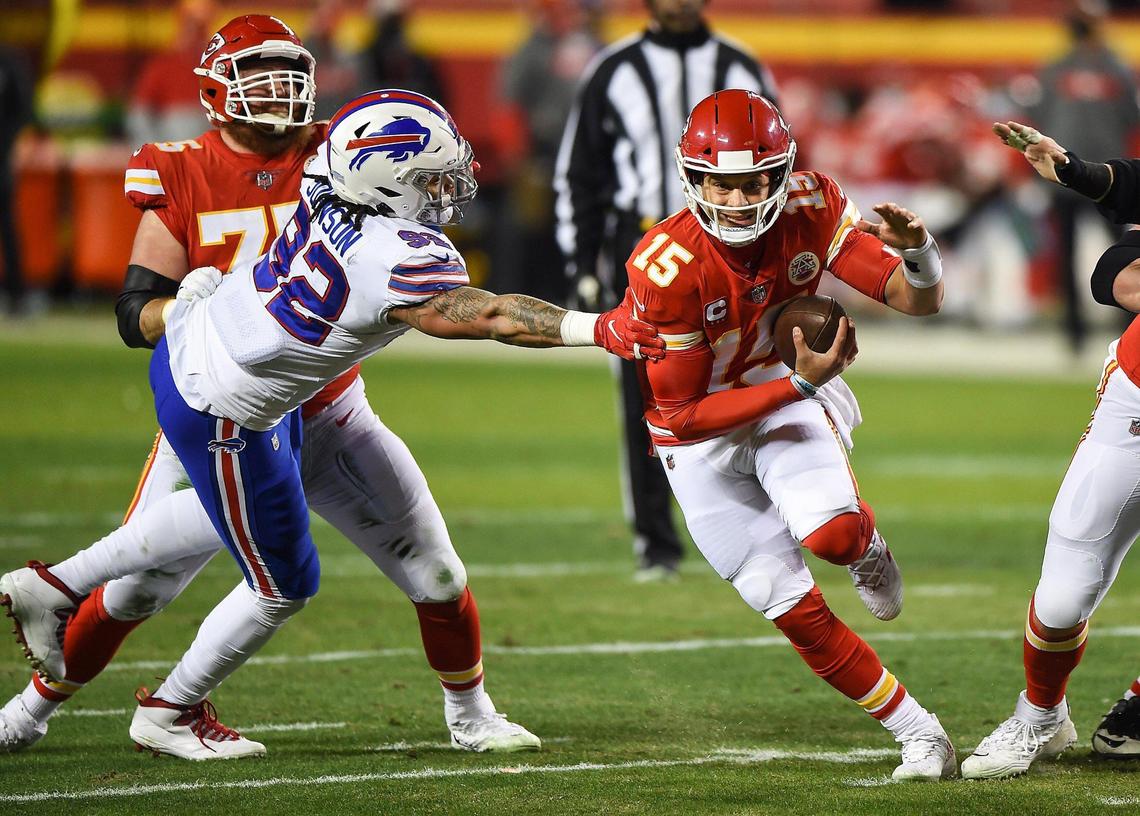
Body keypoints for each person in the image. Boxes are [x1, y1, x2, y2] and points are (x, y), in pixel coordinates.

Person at [0, 16, 658, 758]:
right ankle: (76, 694)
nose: (446, 193)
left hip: (306, 396)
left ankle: (470, 714)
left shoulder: (327, 165)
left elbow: (372, 131)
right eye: (431, 182)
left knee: (433, 570)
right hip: (231, 399)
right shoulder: (365, 231)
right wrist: (600, 327)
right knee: (199, 583)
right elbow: (491, 315)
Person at [624, 89, 952, 780]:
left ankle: (867, 547)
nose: (738, 199)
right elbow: (681, 413)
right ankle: (919, 733)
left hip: (780, 392)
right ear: (693, 177)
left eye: (753, 182)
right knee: (785, 601)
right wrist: (801, 384)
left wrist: (920, 254)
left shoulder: (814, 205)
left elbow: (914, 299)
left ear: (780, 173)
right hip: (702, 428)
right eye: (721, 182)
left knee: (832, 536)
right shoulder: (666, 265)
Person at [555, 0, 778, 582]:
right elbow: (579, 174)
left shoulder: (742, 65)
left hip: (739, 243)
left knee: (753, 379)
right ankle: (657, 545)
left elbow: (781, 164)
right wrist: (581, 265)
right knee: (648, 402)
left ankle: (769, 526)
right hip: (650, 247)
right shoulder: (612, 68)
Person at [958, 120, 1140, 778]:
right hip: (1136, 416)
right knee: (1064, 598)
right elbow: (1113, 269)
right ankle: (1040, 716)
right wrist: (1073, 170)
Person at [1023, 4, 1140, 352]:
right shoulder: (1083, 67)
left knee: (1124, 254)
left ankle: (1125, 330)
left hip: (1107, 178)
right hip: (1072, 173)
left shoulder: (1109, 67)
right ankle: (1074, 332)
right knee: (1069, 255)